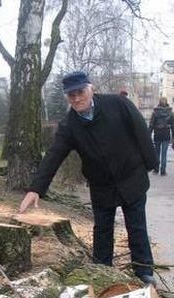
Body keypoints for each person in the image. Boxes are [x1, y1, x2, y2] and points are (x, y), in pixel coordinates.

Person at [19, 71, 158, 286]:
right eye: (70, 95)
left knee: (137, 226)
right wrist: (36, 188)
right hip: (101, 184)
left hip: (131, 176)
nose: (76, 98)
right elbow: (54, 156)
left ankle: (144, 271)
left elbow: (141, 131)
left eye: (80, 92)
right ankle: (102, 272)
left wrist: (150, 164)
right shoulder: (69, 126)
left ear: (91, 88)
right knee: (102, 229)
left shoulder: (118, 104)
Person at [148, 96, 174, 175]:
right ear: (166, 102)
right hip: (166, 134)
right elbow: (173, 125)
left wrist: (148, 135)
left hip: (157, 134)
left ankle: (156, 168)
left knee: (157, 152)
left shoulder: (155, 112)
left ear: (159, 102)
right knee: (164, 153)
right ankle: (163, 170)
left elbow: (151, 125)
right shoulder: (170, 112)